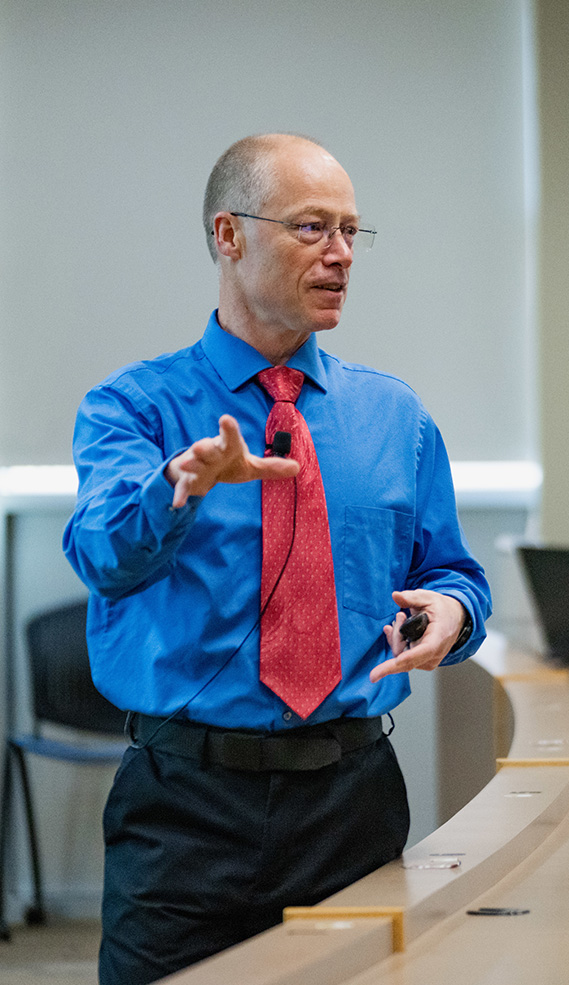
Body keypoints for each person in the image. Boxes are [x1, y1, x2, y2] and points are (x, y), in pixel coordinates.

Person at [62, 133, 492, 985]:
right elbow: (103, 557)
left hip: (351, 799)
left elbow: (452, 572)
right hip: (185, 805)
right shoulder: (133, 406)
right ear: (229, 235)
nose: (340, 256)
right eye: (311, 228)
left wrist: (455, 612)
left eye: (351, 232)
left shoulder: (394, 416)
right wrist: (176, 489)